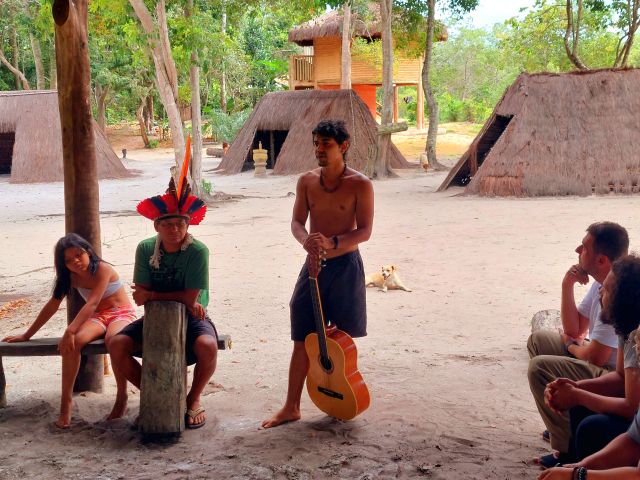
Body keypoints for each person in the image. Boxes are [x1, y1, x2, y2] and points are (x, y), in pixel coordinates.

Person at [261, 119, 374, 429]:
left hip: (346, 266)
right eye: (316, 144)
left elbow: (364, 231)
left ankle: (339, 394)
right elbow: (297, 223)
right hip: (313, 266)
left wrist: (332, 243)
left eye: (326, 144)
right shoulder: (307, 182)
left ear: (344, 146)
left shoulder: (360, 184)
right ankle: (291, 407)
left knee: (341, 340)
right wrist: (307, 243)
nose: (319, 150)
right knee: (302, 337)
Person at [108, 177, 217, 429]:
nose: (174, 229)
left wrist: (155, 296)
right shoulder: (145, 249)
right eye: (167, 224)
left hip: (193, 316)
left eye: (180, 223)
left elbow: (189, 299)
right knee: (117, 345)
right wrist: (163, 297)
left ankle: (192, 399)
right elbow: (139, 296)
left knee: (208, 346)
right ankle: (156, 394)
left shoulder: (197, 251)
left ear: (188, 226)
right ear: (157, 227)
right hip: (156, 317)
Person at [1, 233, 137, 428]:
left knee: (113, 339)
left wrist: (70, 329)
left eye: (78, 255)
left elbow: (92, 303)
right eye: (68, 260)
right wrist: (27, 335)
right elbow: (52, 305)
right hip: (98, 317)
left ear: (88, 251)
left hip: (120, 313)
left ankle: (121, 396)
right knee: (73, 343)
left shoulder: (102, 269)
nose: (75, 262)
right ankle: (67, 403)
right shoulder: (69, 277)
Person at [527, 222, 629, 466]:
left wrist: (572, 348)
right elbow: (574, 329)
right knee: (539, 340)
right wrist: (567, 284)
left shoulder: (619, 297)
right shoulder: (600, 283)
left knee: (540, 368)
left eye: (584, 248)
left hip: (610, 371)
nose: (577, 250)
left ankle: (566, 449)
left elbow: (596, 357)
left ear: (602, 260)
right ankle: (562, 424)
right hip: (606, 368)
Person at [538, 254, 640, 479]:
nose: (600, 292)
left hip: (631, 417)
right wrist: (576, 388)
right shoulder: (627, 327)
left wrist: (580, 475)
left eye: (608, 288)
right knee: (581, 407)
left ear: (624, 299)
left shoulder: (637, 337)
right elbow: (621, 378)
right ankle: (569, 458)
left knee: (593, 427)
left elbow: (632, 407)